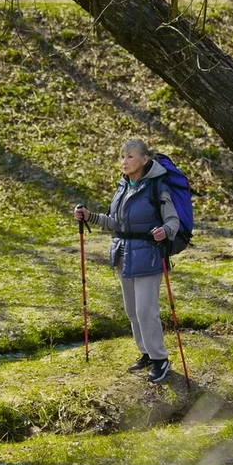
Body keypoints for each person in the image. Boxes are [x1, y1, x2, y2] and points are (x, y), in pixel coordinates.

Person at [74, 139, 179, 384]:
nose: (124, 161)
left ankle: (161, 359)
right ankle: (146, 353)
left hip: (150, 257)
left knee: (146, 311)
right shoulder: (123, 187)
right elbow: (115, 223)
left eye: (130, 156)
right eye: (122, 157)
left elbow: (173, 222)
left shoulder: (157, 187)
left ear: (144, 160)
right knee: (132, 311)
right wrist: (90, 217)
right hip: (124, 255)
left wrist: (164, 231)